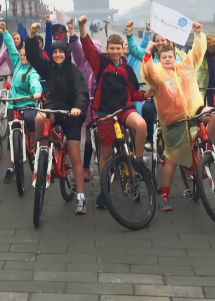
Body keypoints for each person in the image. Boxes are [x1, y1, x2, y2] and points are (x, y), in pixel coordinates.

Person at [142, 22, 215, 212]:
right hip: (173, 120)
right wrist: (148, 50)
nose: (168, 59)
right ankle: (165, 196)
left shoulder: (183, 67)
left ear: (175, 56)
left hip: (193, 110)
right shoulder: (158, 73)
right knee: (172, 159)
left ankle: (210, 149)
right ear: (159, 59)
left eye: (170, 56)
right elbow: (147, 72)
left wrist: (198, 32)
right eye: (164, 57)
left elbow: (196, 54)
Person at [79, 16, 147, 209]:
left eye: (118, 49)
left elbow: (133, 93)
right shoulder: (100, 63)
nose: (115, 52)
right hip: (104, 113)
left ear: (122, 50)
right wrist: (82, 26)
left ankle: (139, 161)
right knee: (105, 155)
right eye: (112, 48)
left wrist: (146, 94)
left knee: (141, 125)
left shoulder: (127, 69)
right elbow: (87, 47)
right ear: (107, 49)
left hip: (125, 110)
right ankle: (104, 191)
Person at [25, 22, 90, 212]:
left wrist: (78, 108)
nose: (57, 55)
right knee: (40, 117)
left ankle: (80, 197)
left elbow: (82, 92)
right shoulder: (48, 68)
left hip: (71, 113)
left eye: (61, 52)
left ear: (67, 53)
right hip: (53, 107)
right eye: (55, 52)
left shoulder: (74, 71)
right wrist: (31, 35)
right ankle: (42, 152)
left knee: (75, 155)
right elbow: (33, 57)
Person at [0, 22, 44, 186]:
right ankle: (10, 168)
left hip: (29, 104)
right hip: (13, 105)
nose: (23, 57)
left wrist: (36, 92)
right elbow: (11, 47)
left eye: (26, 55)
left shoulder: (33, 70)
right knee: (11, 136)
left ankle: (36, 147)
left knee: (31, 121)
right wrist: (5, 33)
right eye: (22, 55)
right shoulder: (17, 63)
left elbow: (35, 83)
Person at [68, 19, 99, 181]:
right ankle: (85, 167)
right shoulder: (82, 61)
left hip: (100, 103)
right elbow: (76, 48)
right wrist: (72, 32)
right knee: (87, 137)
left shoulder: (102, 64)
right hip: (86, 105)